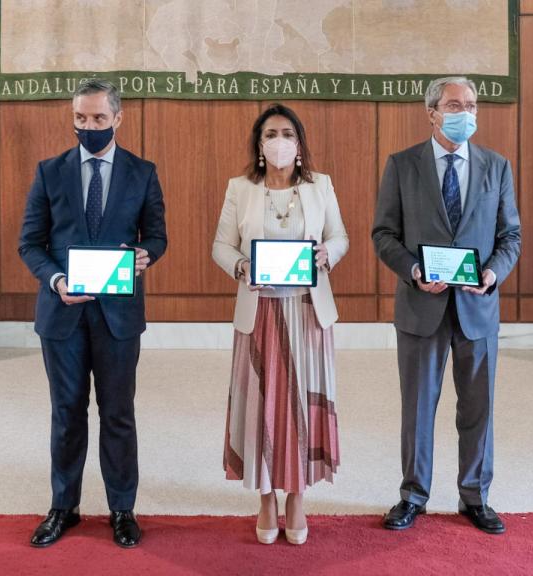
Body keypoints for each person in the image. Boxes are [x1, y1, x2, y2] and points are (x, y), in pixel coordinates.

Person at [18, 79, 167, 549]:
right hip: (61, 315)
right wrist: (57, 280)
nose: (89, 127)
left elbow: (157, 236)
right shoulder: (49, 171)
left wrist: (144, 254)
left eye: (99, 119)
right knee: (67, 413)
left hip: (119, 315)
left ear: (118, 119)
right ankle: (64, 506)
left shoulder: (142, 173)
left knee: (118, 413)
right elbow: (30, 243)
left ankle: (122, 508)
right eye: (81, 119)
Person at [372, 77, 521, 535]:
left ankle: (475, 496)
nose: (466, 113)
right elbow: (384, 234)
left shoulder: (497, 166)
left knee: (478, 408)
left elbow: (510, 236)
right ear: (432, 112)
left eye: (472, 105)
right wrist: (415, 270)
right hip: (422, 307)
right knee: (418, 407)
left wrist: (493, 273)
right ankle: (413, 495)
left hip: (477, 310)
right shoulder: (402, 165)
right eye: (456, 104)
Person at [213, 103, 349, 545]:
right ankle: (267, 495)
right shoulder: (241, 188)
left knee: (300, 407)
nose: (279, 141)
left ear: (299, 143)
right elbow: (222, 245)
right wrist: (240, 268)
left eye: (287, 133)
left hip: (307, 311)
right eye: (270, 133)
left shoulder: (321, 186)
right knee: (264, 406)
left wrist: (329, 253)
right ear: (259, 144)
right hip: (261, 312)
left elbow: (339, 236)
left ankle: (297, 495)